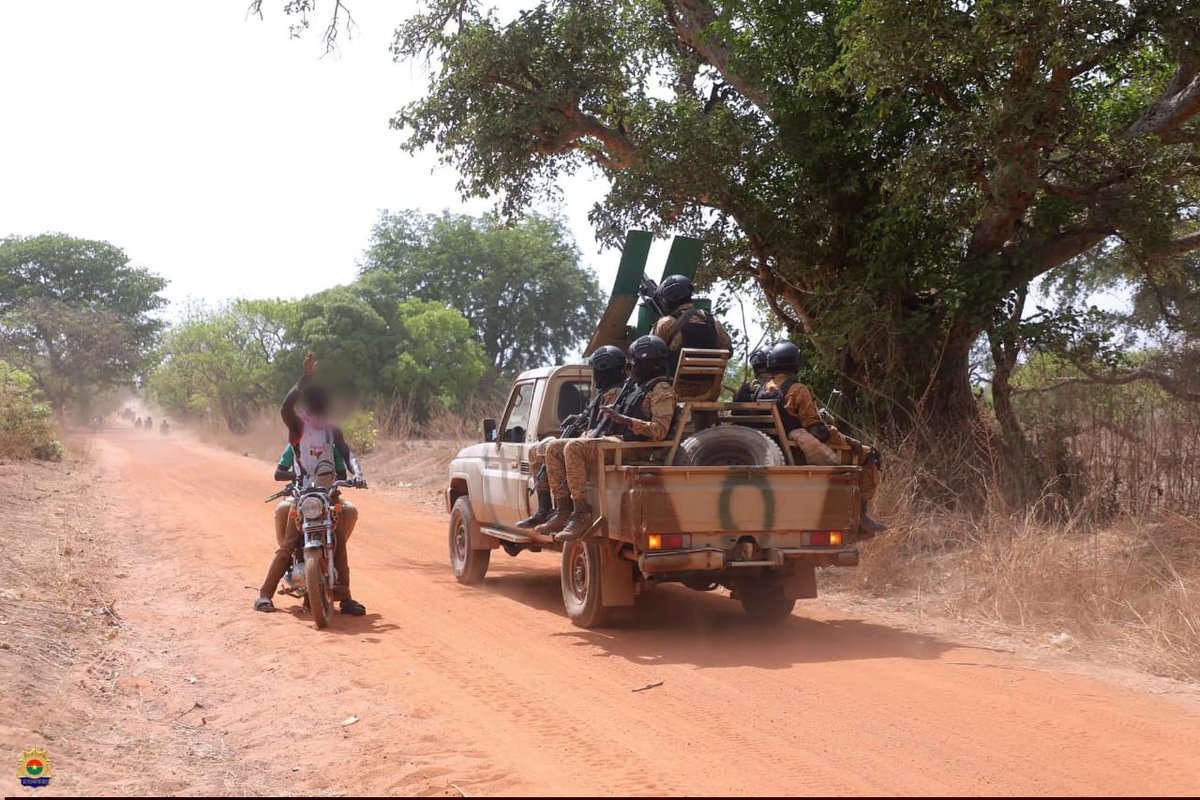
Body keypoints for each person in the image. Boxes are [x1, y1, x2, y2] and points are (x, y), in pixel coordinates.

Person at [254, 352, 369, 615]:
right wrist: (304, 379)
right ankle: (264, 594)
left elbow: (348, 452)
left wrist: (358, 473)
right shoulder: (297, 427)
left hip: (327, 495)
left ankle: (345, 596)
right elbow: (285, 408)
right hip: (303, 496)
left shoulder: (332, 430)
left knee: (338, 539)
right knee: (288, 543)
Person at [538, 335, 678, 542]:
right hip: (620, 440)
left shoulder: (661, 389)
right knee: (554, 447)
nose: (635, 366)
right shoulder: (637, 386)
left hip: (637, 447)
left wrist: (626, 420)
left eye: (639, 362)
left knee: (574, 447)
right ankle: (563, 510)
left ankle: (581, 514)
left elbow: (659, 431)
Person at [757, 341, 886, 536]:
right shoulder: (797, 389)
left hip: (777, 449)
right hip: (800, 452)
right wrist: (842, 436)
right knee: (870, 455)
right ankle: (861, 517)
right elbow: (818, 432)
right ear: (795, 364)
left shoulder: (761, 390)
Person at [516, 345, 628, 529]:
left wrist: (584, 432)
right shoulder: (604, 393)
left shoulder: (616, 392)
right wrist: (578, 420)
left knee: (559, 448)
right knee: (537, 450)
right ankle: (545, 509)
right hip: (595, 438)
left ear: (603, 371)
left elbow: (604, 426)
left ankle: (569, 511)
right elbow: (596, 420)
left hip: (607, 441)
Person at [650, 274, 732, 402]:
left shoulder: (666, 323)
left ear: (668, 299)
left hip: (675, 391)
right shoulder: (713, 321)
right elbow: (728, 350)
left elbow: (650, 355)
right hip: (709, 392)